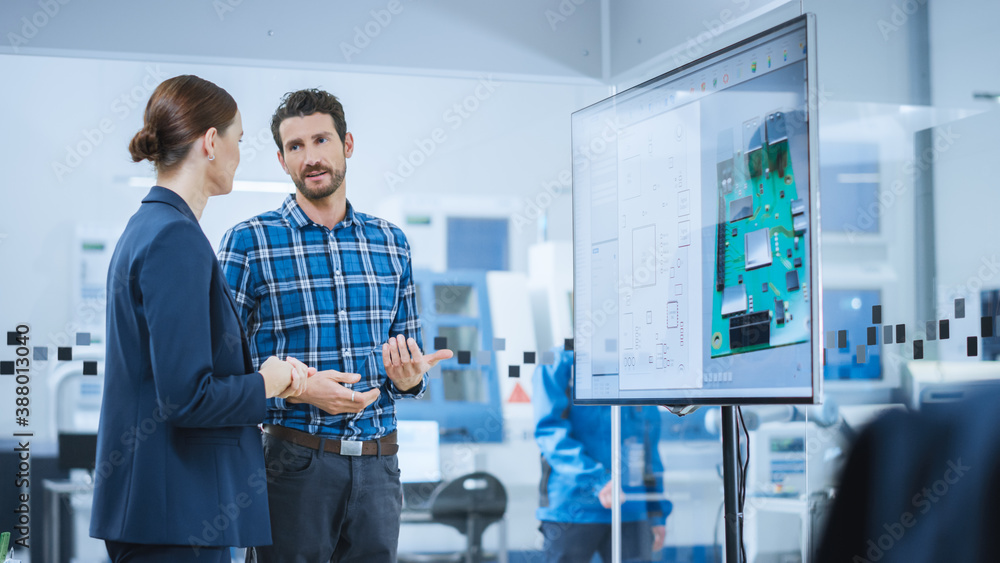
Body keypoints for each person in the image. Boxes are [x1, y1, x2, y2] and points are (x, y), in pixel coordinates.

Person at [219, 88, 452, 562]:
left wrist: (410, 379)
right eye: (295, 147)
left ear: (347, 144)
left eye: (321, 140)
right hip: (292, 462)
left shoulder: (391, 242)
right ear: (283, 161)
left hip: (379, 465)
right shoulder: (248, 243)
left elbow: (408, 363)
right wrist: (297, 388)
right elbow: (222, 373)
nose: (311, 157)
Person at [90, 75, 309, 563]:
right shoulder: (174, 238)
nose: (237, 154)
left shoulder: (149, 226)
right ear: (212, 141)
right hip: (177, 518)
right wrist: (268, 382)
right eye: (239, 141)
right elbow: (186, 397)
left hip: (163, 514)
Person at [534, 348, 672, 563]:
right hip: (573, 510)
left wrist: (656, 512)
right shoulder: (558, 363)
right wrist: (599, 480)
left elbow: (648, 449)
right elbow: (551, 435)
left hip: (631, 511)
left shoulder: (638, 365)